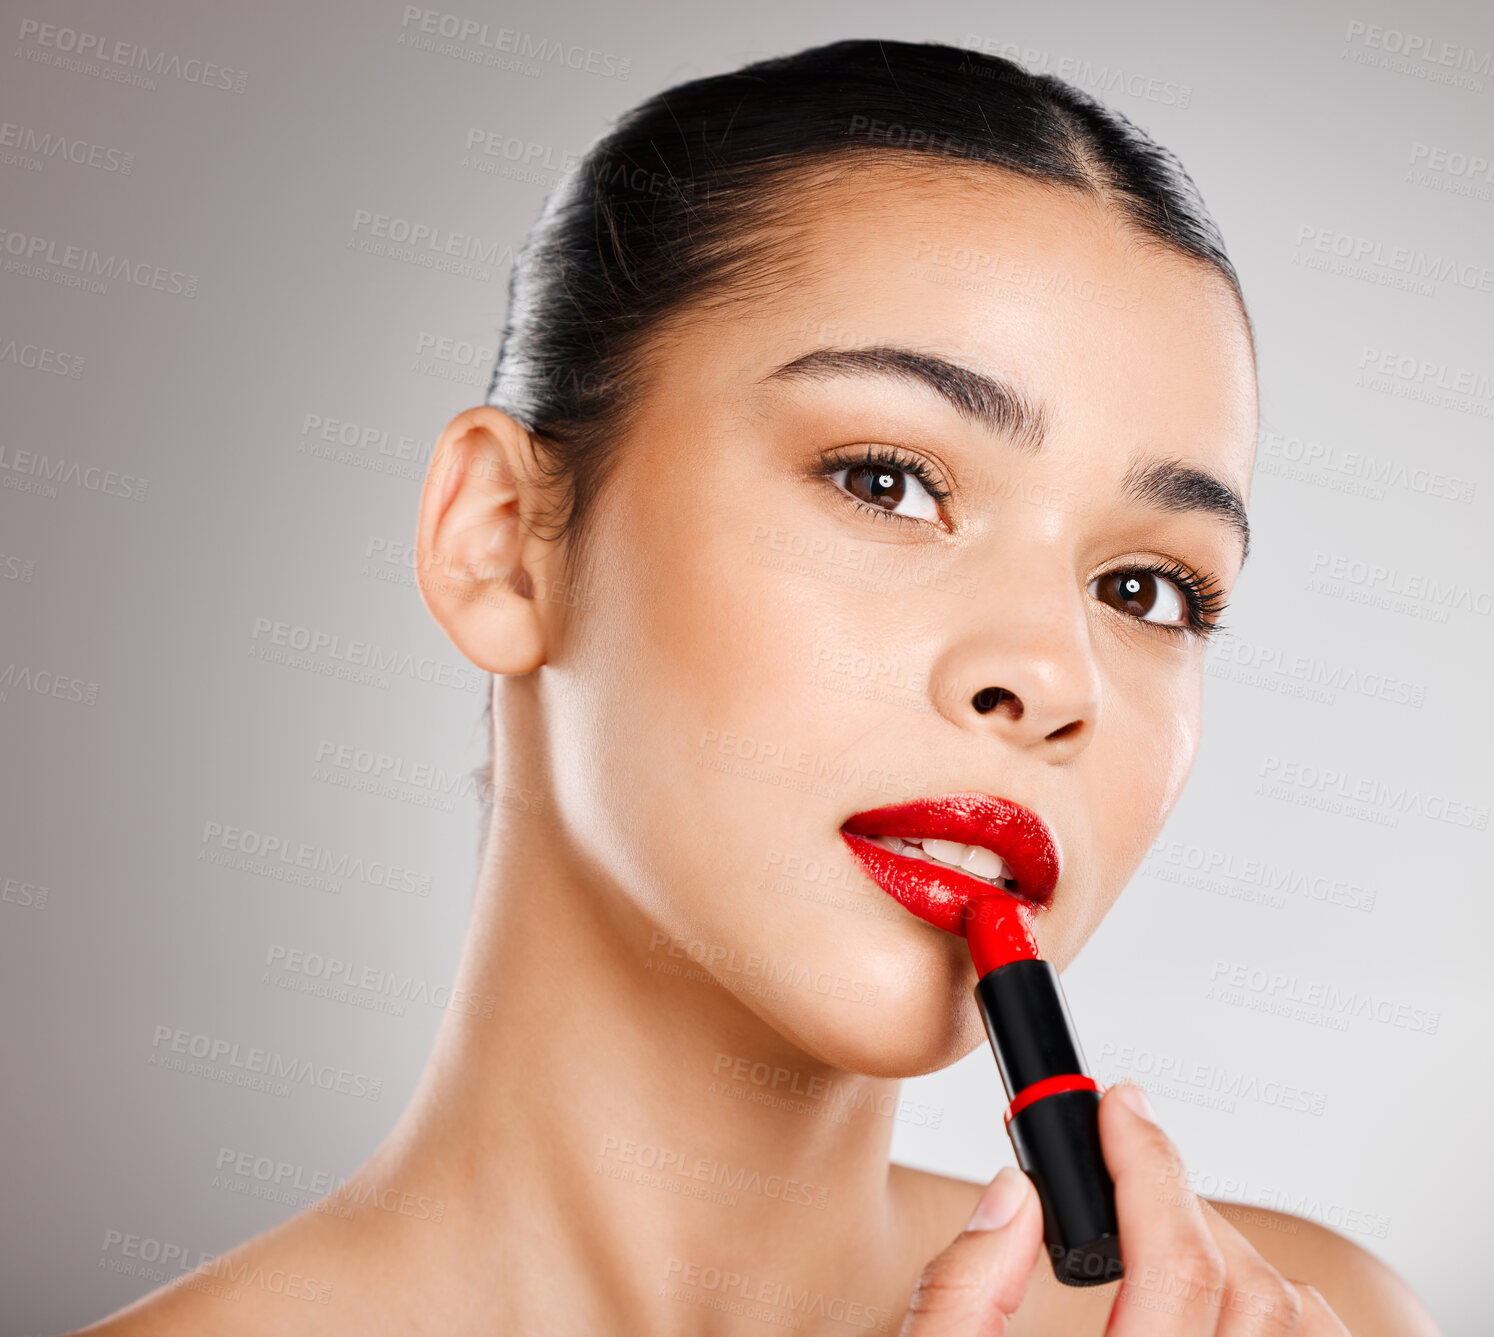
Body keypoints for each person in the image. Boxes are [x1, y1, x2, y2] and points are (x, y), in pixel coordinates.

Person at [73, 38, 1440, 1335]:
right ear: (499, 538)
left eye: (1144, 588)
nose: (1046, 673)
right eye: (886, 482)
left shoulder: (1293, 1312)